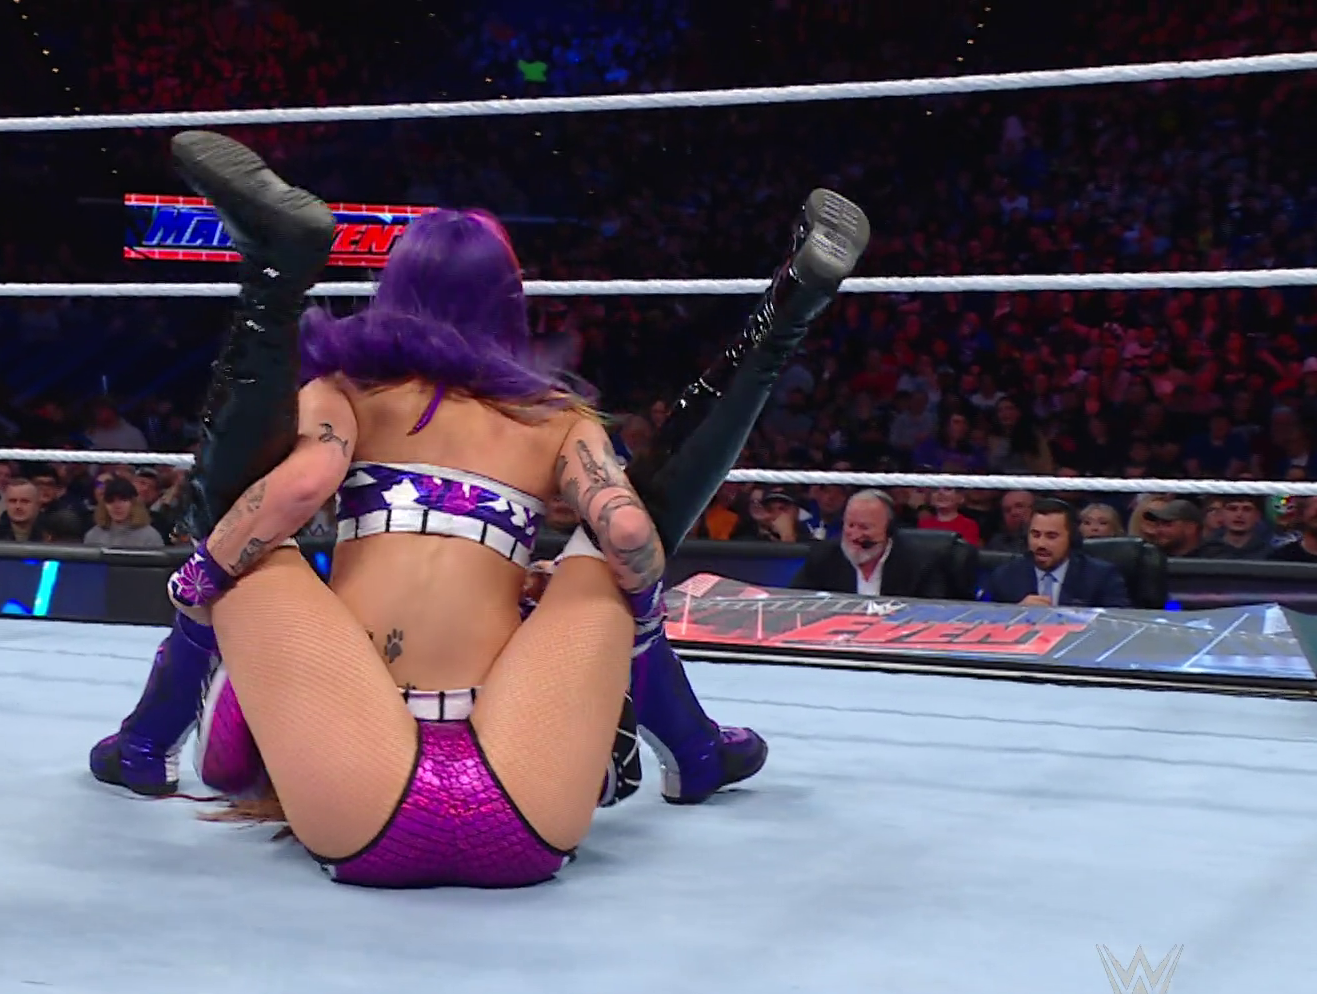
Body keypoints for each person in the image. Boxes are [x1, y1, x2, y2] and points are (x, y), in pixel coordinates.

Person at [93, 132, 867, 886]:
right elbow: (631, 530)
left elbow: (294, 493)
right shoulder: (556, 420)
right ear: (509, 302)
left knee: (247, 534)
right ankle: (780, 324)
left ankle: (274, 280)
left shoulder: (347, 393)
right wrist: (597, 612)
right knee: (605, 559)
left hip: (360, 796)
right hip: (526, 807)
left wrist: (200, 579)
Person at [789, 489, 954, 598]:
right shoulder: (823, 556)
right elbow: (796, 603)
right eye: (850, 525)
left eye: (864, 527)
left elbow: (934, 614)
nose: (855, 535)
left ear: (888, 529)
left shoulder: (920, 563)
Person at [982, 499, 1130, 608]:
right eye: (1035, 535)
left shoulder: (1101, 576)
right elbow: (985, 621)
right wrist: (1016, 613)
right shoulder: (1004, 576)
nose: (1041, 544)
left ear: (1071, 538)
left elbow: (1119, 624)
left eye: (1051, 536)